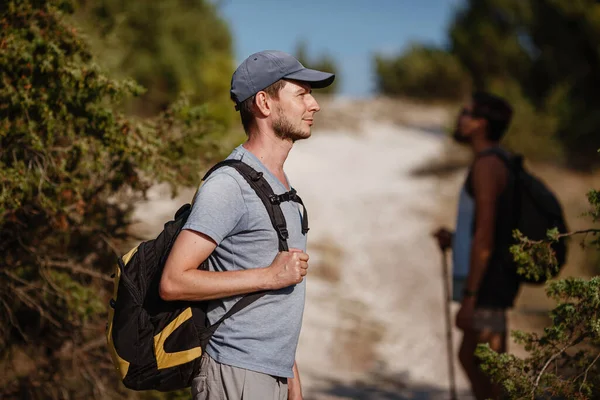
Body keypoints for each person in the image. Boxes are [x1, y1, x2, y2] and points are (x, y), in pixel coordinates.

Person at [159, 50, 334, 400]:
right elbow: (173, 281)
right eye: (301, 94)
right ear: (264, 103)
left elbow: (277, 302)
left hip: (272, 374)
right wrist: (268, 276)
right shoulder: (229, 185)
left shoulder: (278, 185)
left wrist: (291, 377)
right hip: (234, 373)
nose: (314, 104)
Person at [434, 92, 520, 400]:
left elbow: (486, 235)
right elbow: (488, 228)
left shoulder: (487, 165)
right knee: (475, 359)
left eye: (466, 113)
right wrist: (456, 239)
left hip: (488, 282)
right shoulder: (494, 162)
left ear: (480, 124)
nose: (460, 118)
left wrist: (470, 298)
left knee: (490, 366)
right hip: (488, 278)